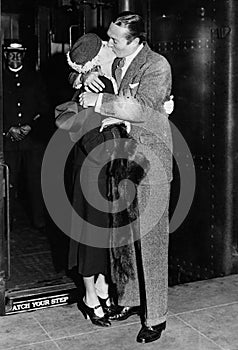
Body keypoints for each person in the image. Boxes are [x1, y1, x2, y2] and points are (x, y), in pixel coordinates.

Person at [77, 12, 173, 344]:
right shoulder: (117, 63)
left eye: (115, 39)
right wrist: (87, 76)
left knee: (152, 243)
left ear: (135, 40)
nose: (108, 43)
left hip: (152, 164)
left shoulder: (156, 65)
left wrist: (99, 101)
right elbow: (82, 67)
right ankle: (130, 300)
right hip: (123, 160)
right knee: (127, 240)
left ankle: (156, 317)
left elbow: (144, 108)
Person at [55, 33, 131, 327]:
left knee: (105, 232)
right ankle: (90, 296)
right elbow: (87, 131)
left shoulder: (101, 79)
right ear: (96, 58)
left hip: (106, 166)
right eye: (107, 46)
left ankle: (101, 286)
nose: (112, 48)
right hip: (94, 167)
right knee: (92, 232)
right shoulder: (97, 82)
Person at [3, 42, 50, 230]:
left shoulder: (34, 78)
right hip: (8, 142)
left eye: (18, 54)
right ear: (5, 55)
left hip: (32, 142)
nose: (15, 58)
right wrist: (7, 129)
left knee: (35, 182)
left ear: (23, 56)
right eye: (11, 54)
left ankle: (39, 222)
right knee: (8, 183)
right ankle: (7, 222)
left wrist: (31, 126)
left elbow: (44, 108)